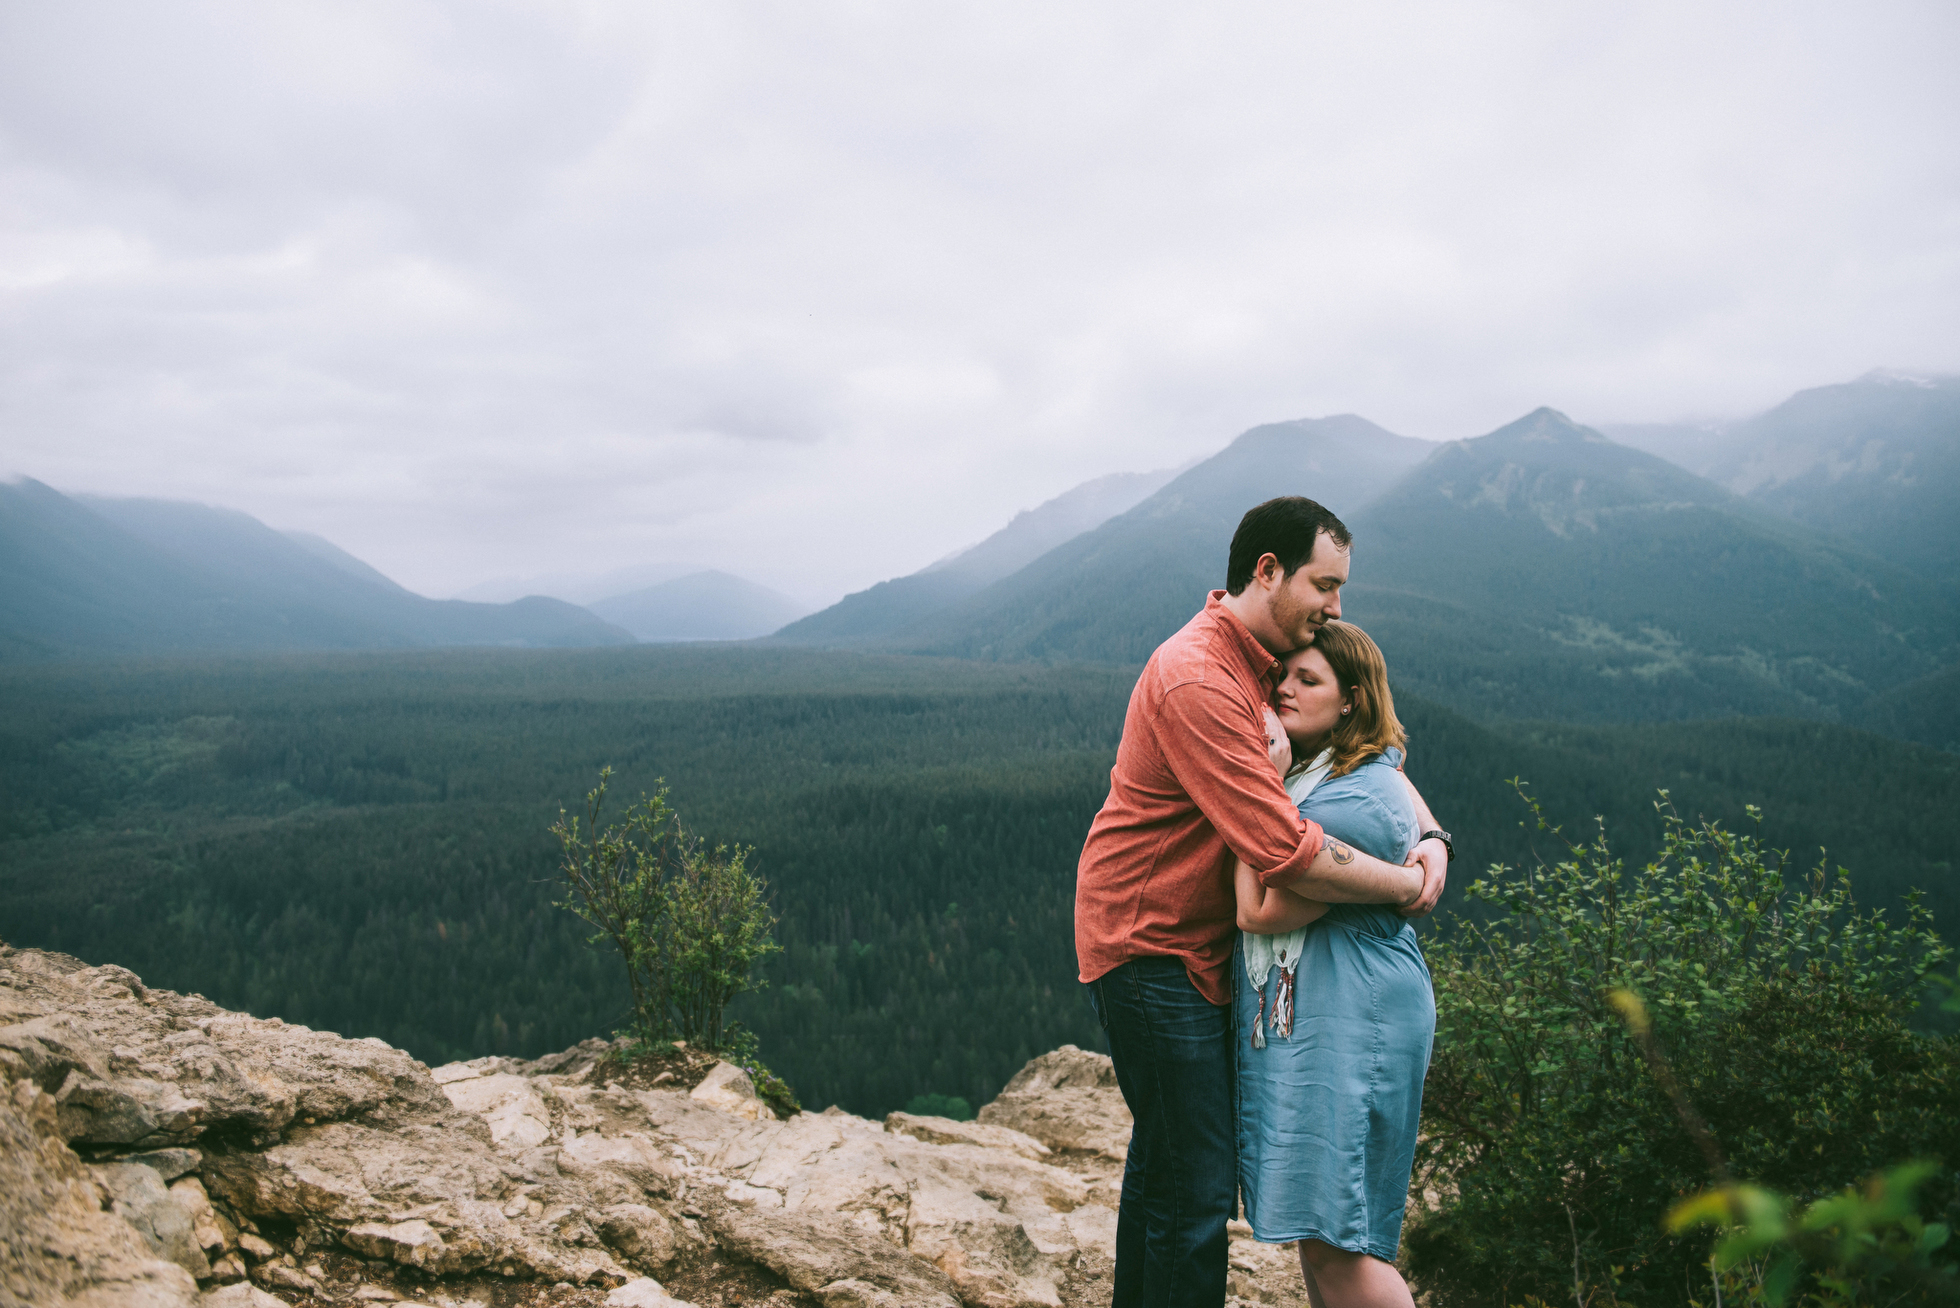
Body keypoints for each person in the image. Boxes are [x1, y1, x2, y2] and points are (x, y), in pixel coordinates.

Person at [1076, 497, 1451, 1308]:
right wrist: (1403, 886)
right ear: (1268, 571)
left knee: (1166, 1172)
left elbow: (1377, 745)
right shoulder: (1201, 678)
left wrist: (1433, 836)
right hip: (1155, 947)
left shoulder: (1266, 659)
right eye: (1325, 583)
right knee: (1195, 1191)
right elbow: (1282, 852)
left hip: (1186, 948)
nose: (1336, 605)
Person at [1234, 622, 1440, 1308]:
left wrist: (1252, 791)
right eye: (1283, 676)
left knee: (1340, 1239)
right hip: (1338, 1006)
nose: (1286, 688)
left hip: (1361, 1015)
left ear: (1351, 700)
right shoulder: (1330, 776)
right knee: (1322, 1233)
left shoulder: (1352, 800)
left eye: (1308, 680)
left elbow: (1262, 909)